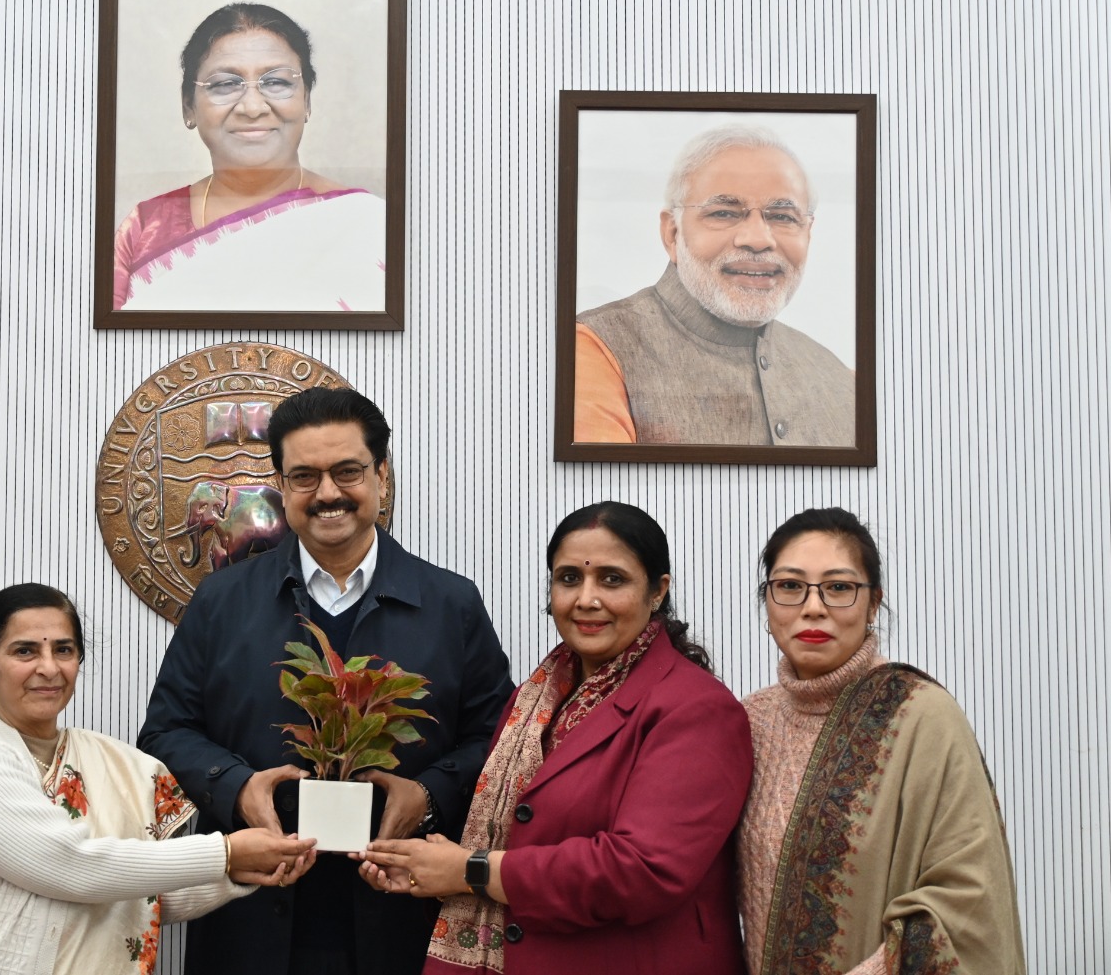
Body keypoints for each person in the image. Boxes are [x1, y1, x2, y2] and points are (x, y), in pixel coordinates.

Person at [138, 386, 515, 975]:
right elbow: (166, 731)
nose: (328, 493)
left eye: (348, 472)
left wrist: (429, 795)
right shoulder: (221, 601)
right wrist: (236, 787)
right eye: (305, 477)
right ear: (281, 485)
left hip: (404, 920)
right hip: (248, 924)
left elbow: (498, 741)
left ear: (381, 475)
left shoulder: (451, 604)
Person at [358, 501, 752, 974]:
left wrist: (470, 871)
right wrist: (422, 863)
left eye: (612, 579)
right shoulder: (538, 696)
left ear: (657, 591)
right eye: (569, 578)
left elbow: (642, 871)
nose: (586, 599)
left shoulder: (696, 709)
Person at [0, 583, 316, 975]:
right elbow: (72, 868)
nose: (49, 668)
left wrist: (235, 873)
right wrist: (225, 852)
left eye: (63, 650)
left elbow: (139, 900)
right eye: (25, 651)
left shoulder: (116, 763)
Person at [739, 508, 1026, 974]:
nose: (813, 607)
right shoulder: (749, 721)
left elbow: (970, 900)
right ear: (767, 600)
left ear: (874, 603)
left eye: (838, 587)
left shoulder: (920, 715)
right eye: (790, 586)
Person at [574, 124, 854, 446]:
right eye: (724, 213)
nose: (758, 239)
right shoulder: (596, 352)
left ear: (808, 234)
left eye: (783, 217)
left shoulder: (842, 381)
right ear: (672, 233)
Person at [112, 3, 386, 313]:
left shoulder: (367, 227)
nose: (253, 108)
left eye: (277, 82)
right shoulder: (146, 229)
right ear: (189, 106)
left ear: (306, 100)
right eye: (225, 84)